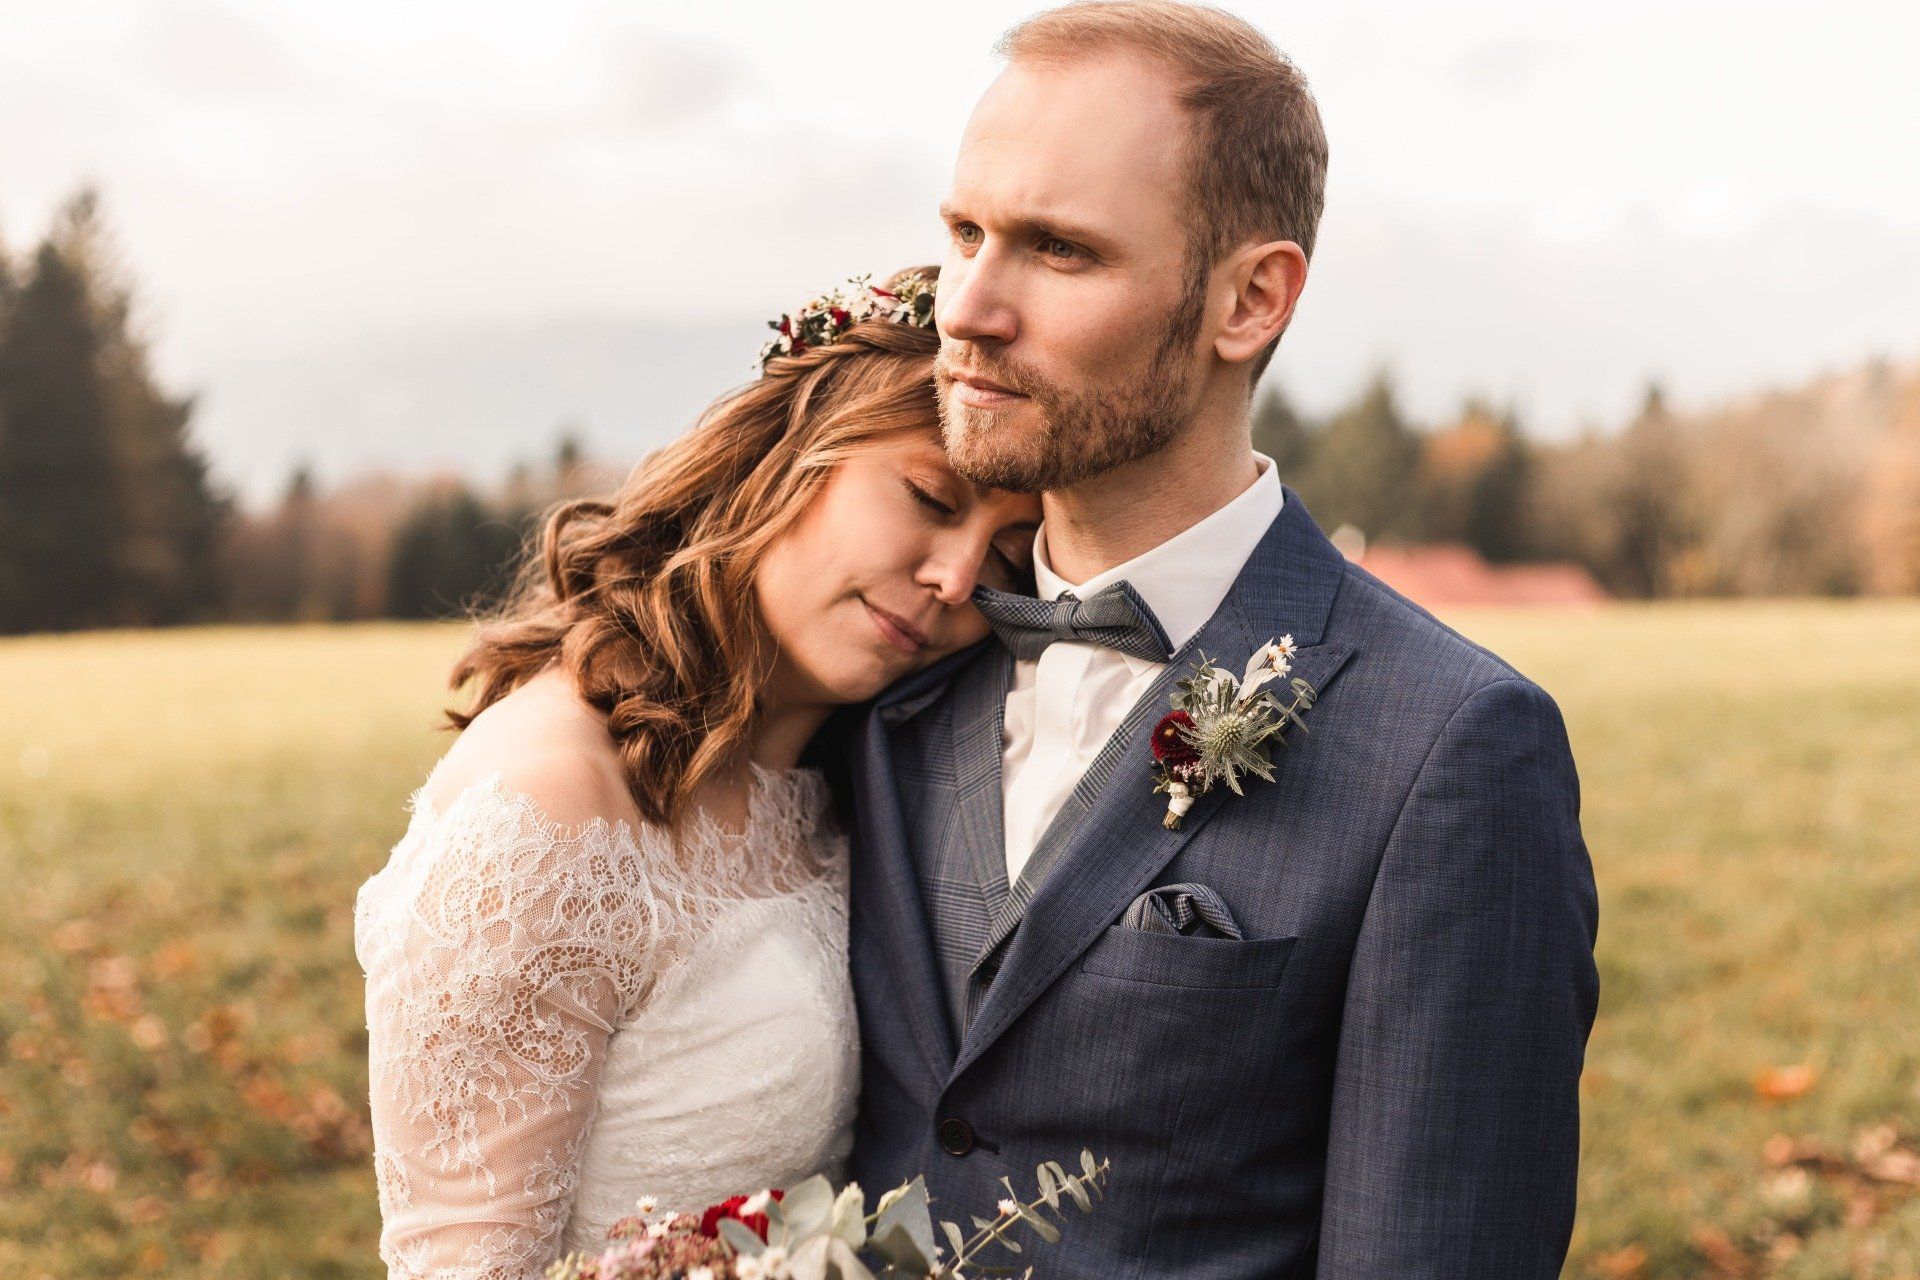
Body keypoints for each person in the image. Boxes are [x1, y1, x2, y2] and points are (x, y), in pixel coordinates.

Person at [842, 5, 1602, 1277]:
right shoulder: (888, 666)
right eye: (964, 234)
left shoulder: (1453, 749)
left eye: (1060, 251)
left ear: (1251, 299)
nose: (966, 308)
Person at [352, 266, 1040, 1278]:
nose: (956, 580)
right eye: (930, 497)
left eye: (1009, 560)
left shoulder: (840, 775)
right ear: (790, 451)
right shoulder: (549, 806)